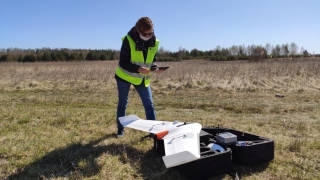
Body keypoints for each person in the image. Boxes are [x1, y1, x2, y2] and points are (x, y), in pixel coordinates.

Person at [115, 17, 163, 137]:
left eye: (151, 33)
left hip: (142, 78)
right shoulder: (128, 40)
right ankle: (120, 129)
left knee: (149, 103)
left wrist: (155, 68)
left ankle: (153, 132)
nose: (148, 36)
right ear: (138, 30)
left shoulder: (155, 42)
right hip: (124, 76)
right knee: (123, 102)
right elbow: (123, 62)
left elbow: (153, 60)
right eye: (145, 34)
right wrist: (138, 69)